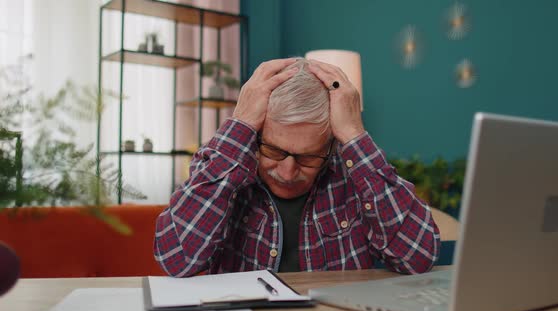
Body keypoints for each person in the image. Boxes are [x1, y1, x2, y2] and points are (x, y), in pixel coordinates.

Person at [154, 57, 440, 276]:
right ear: (255, 135)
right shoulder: (224, 162)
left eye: (308, 157)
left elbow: (418, 257)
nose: (288, 172)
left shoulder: (353, 171)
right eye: (274, 151)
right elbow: (176, 259)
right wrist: (239, 124)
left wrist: (355, 135)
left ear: (331, 146)